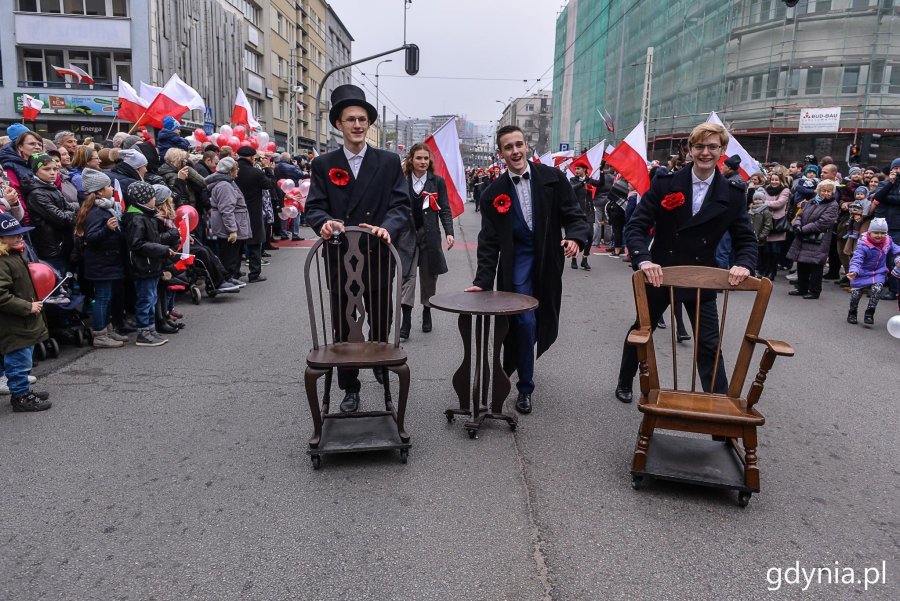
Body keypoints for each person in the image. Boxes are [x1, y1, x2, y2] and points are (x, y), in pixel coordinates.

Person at [615, 122, 757, 403]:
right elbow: (636, 227)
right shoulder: (665, 183)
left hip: (701, 276)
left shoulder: (733, 194)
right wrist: (643, 261)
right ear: (690, 149)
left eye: (713, 147)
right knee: (641, 331)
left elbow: (746, 239)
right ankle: (624, 380)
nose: (706, 152)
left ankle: (720, 409)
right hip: (660, 273)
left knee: (709, 344)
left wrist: (744, 263)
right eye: (700, 146)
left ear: (723, 151)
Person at [465, 124, 589, 415]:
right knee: (524, 322)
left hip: (547, 261)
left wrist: (574, 237)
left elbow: (574, 215)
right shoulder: (492, 193)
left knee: (542, 319)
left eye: (519, 144)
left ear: (527, 146)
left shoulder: (553, 179)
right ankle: (525, 387)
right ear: (501, 154)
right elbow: (488, 242)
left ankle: (521, 361)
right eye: (508, 147)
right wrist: (483, 281)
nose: (515, 151)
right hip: (516, 263)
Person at [304, 83, 411, 413]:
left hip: (377, 253)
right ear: (338, 124)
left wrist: (387, 227)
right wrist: (323, 222)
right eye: (350, 119)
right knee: (343, 322)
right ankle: (349, 385)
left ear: (369, 123)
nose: (357, 125)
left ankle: (379, 364)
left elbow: (401, 205)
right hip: (340, 254)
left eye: (362, 119)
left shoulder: (389, 161)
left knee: (380, 316)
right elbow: (314, 207)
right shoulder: (324, 164)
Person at [396, 143, 455, 339]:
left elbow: (444, 208)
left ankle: (427, 311)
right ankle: (406, 319)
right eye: (419, 158)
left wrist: (449, 231)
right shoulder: (401, 181)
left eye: (426, 158)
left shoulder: (437, 182)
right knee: (407, 277)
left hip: (429, 235)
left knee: (429, 277)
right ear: (411, 160)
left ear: (430, 161)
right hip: (407, 236)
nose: (423, 162)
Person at [0, 212, 51, 411]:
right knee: (18, 359)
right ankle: (20, 397)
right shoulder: (2, 261)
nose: (19, 237)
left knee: (24, 356)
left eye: (20, 233)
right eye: (13, 235)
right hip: (13, 321)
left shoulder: (14, 254)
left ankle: (23, 390)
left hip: (23, 320)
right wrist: (27, 306)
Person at [74, 168, 128, 348]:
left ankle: (108, 328)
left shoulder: (105, 207)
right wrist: (107, 229)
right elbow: (91, 238)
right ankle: (100, 334)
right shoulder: (97, 212)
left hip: (108, 262)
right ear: (98, 191)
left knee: (108, 297)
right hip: (101, 264)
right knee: (103, 298)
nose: (112, 188)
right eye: (108, 186)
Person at [122, 181, 177, 347]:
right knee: (145, 299)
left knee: (151, 298)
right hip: (142, 265)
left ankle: (150, 329)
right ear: (145, 199)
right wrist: (162, 249)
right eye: (153, 197)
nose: (155, 200)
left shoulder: (147, 215)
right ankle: (143, 332)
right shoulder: (137, 218)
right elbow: (137, 244)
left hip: (151, 264)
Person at [786, 180, 840, 300]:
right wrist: (797, 225)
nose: (826, 193)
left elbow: (822, 223)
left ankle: (814, 291)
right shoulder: (812, 201)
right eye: (823, 190)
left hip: (818, 239)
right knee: (802, 262)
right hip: (803, 236)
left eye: (829, 191)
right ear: (818, 191)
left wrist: (803, 229)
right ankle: (802, 288)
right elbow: (800, 214)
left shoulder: (833, 205)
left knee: (816, 265)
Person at [24, 153, 76, 275]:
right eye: (46, 169)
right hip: (52, 248)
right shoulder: (37, 194)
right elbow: (62, 218)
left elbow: (71, 209)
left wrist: (70, 212)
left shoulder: (52, 188)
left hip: (62, 244)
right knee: (59, 281)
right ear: (35, 171)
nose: (52, 172)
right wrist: (70, 213)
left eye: (55, 169)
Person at [846, 218, 900, 325]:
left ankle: (869, 313)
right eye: (876, 233)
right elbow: (857, 259)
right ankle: (852, 312)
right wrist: (854, 271)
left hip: (879, 271)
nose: (879, 235)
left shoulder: (888, 240)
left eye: (883, 233)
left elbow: (896, 250)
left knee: (877, 289)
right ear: (870, 232)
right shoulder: (863, 244)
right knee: (856, 294)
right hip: (862, 271)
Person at [206, 157, 251, 283]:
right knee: (229, 254)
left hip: (232, 222)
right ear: (230, 170)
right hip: (229, 224)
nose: (238, 170)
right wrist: (232, 230)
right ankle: (227, 278)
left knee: (232, 253)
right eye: (236, 168)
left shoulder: (227, 182)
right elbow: (227, 209)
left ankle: (231, 276)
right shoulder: (225, 185)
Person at [234, 146, 274, 282]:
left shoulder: (233, 170)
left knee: (237, 243)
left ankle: (235, 272)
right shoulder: (255, 172)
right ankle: (254, 273)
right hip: (252, 210)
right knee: (255, 243)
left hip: (235, 211)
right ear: (251, 157)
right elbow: (269, 184)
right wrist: (268, 169)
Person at [871, 158, 900, 300]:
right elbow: (878, 197)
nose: (898, 171)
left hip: (897, 227)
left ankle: (893, 290)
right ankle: (877, 285)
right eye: (896, 168)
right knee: (878, 257)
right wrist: (891, 183)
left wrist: (887, 198)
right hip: (881, 225)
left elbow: (886, 199)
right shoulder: (885, 183)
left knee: (894, 259)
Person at [568, 158, 604, 270]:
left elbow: (600, 184)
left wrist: (601, 171)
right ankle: (574, 258)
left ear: (584, 169)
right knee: (577, 237)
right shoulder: (573, 179)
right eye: (575, 169)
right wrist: (582, 182)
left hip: (588, 212)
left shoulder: (590, 180)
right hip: (577, 212)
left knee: (589, 235)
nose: (576, 171)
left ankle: (585, 259)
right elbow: (572, 190)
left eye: (578, 169)